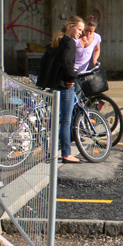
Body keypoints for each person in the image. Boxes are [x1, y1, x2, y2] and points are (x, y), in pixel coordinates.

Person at [37, 15, 84, 163]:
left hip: (52, 86)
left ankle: (51, 152)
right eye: (79, 29)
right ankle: (66, 153)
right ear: (70, 27)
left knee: (54, 119)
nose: (80, 33)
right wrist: (71, 79)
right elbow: (67, 63)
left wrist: (45, 81)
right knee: (65, 120)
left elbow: (44, 62)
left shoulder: (55, 41)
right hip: (64, 86)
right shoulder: (69, 42)